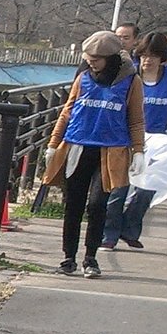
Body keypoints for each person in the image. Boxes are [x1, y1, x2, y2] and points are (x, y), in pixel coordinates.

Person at [41, 30, 146, 279]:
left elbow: (136, 120)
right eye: (88, 58)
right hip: (77, 146)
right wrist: (53, 144)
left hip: (109, 151)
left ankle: (91, 257)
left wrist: (139, 151)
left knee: (98, 204)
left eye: (96, 59)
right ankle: (68, 257)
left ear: (110, 58)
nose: (91, 62)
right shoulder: (83, 78)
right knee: (73, 204)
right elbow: (67, 111)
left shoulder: (131, 81)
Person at [101, 31, 167, 252]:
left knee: (147, 188)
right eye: (144, 56)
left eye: (153, 56)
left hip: (159, 140)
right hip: (128, 139)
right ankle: (109, 234)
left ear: (162, 58)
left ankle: (130, 229)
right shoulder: (130, 74)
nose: (148, 60)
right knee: (118, 189)